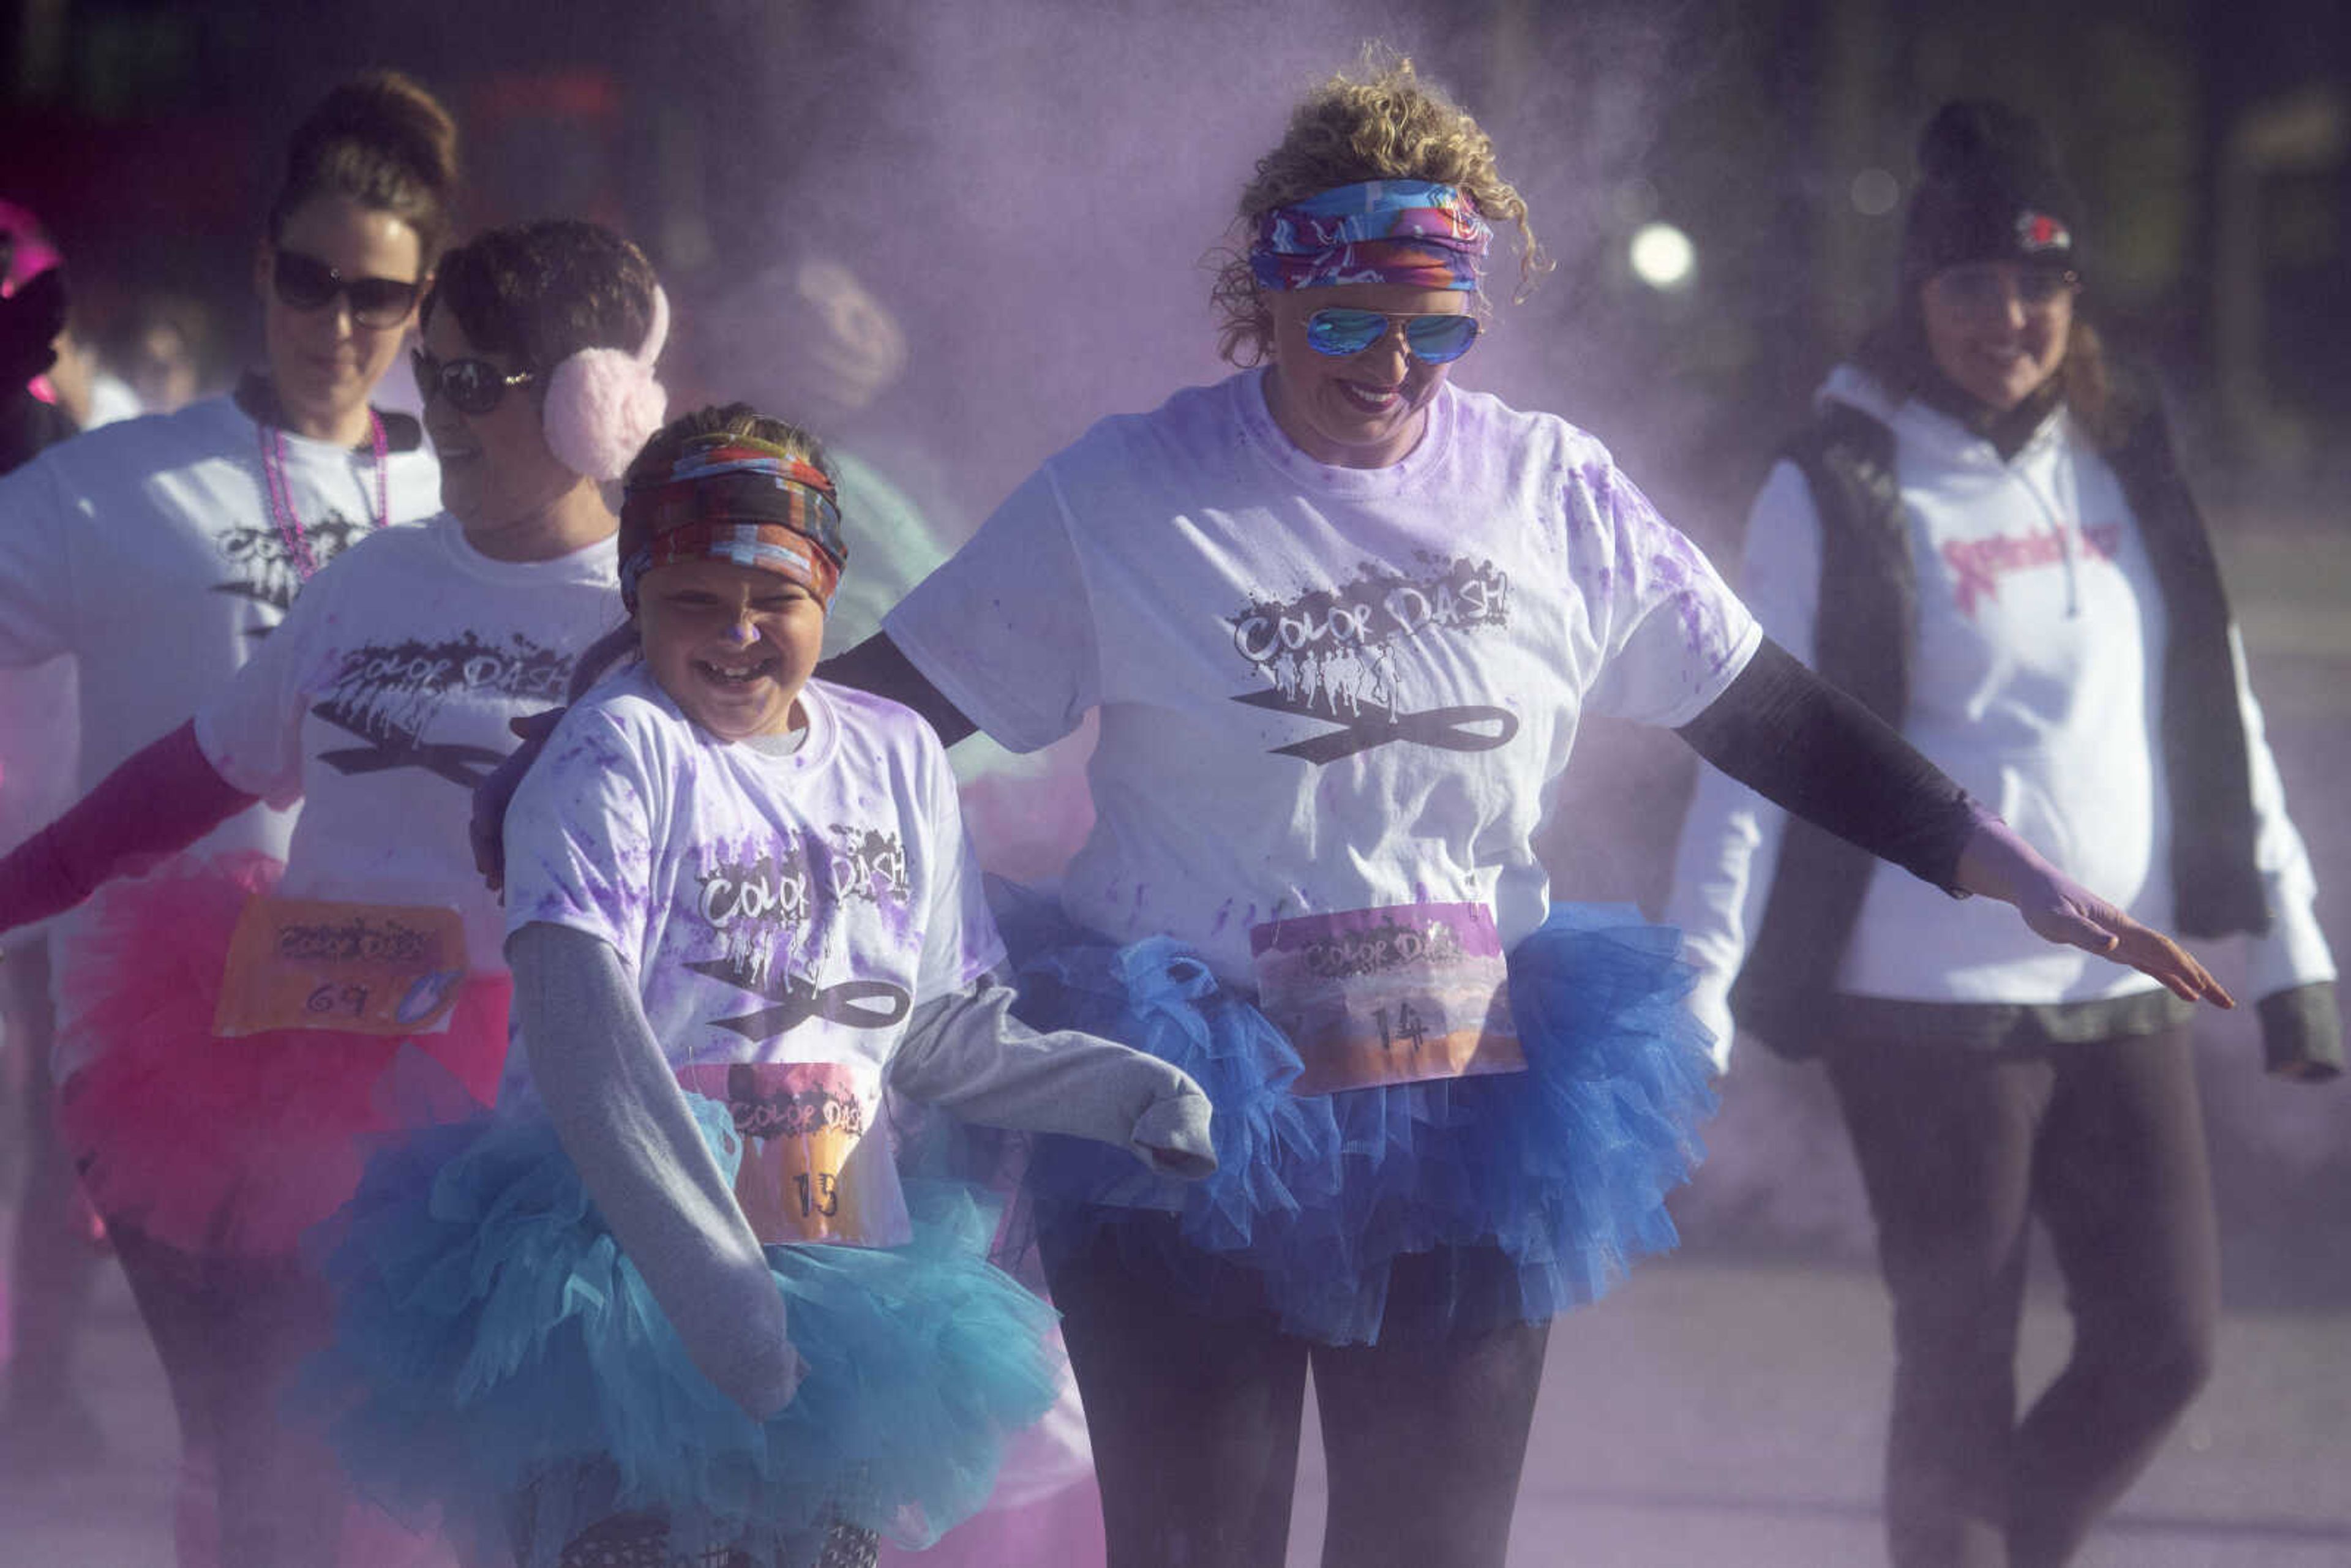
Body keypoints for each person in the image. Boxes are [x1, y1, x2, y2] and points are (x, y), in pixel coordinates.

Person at [806, 53, 2232, 1568]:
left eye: (1438, 328)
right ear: (1265, 294)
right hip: (1191, 1098)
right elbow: (877, 713)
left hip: (1460, 1091)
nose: (1391, 364)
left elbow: (1762, 711)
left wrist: (1990, 858)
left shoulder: (1548, 488)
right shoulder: (1131, 496)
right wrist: (661, 731)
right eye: (1347, 320)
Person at [318, 404, 1214, 1568]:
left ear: (828, 594)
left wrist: (1119, 1090)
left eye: (775, 599)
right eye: (694, 598)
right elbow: (595, 1058)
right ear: (637, 595)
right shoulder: (613, 754)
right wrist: (720, 1290)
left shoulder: (893, 751)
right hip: (621, 1288)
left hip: (844, 1288)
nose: (738, 632)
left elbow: (932, 1023)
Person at [1665, 100, 2339, 1568]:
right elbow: (1750, 753)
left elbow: (2210, 710)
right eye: (1971, 283)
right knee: (1957, 1366)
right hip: (1922, 1010)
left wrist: (2295, 952)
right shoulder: (1837, 479)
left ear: (2076, 298)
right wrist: (1695, 1000)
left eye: (2041, 284)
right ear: (1916, 294)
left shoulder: (2120, 455)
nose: (2010, 316)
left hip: (2117, 986)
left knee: (2166, 1344)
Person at [0, 215, 668, 1566]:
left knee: (491, 1510)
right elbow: (193, 771)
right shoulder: (373, 577)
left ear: (593, 399)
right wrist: (18, 884)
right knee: (275, 1493)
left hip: (510, 1136)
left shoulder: (649, 620)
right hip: (291, 1100)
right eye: (440, 373)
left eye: (480, 382)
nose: (443, 413)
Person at [0, 73, 456, 1547]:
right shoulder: (114, 486)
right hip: (161, 1045)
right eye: (311, 283)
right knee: (241, 1430)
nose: (338, 325)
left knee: (338, 1448)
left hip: (414, 1028)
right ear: (263, 268)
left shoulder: (473, 501)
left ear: (423, 301)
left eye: (375, 297)